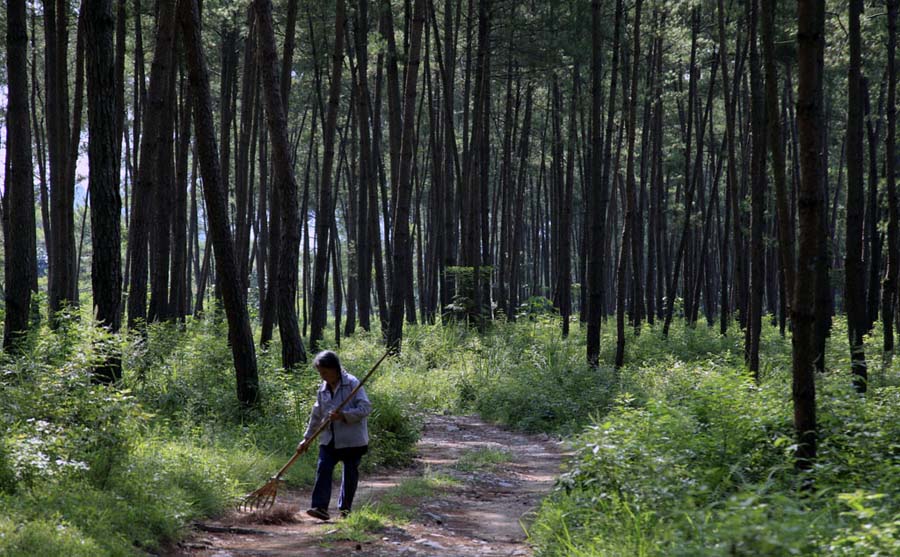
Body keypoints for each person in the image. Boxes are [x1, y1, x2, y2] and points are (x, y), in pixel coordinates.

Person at [297, 350, 372, 521]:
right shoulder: (322, 389)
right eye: (320, 372)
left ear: (334, 369)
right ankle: (320, 507)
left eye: (324, 372)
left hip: (353, 440)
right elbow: (316, 416)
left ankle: (345, 509)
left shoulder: (352, 384)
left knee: (350, 473)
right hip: (330, 438)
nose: (322, 376)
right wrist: (307, 438)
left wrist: (344, 415)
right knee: (323, 467)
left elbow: (365, 408)